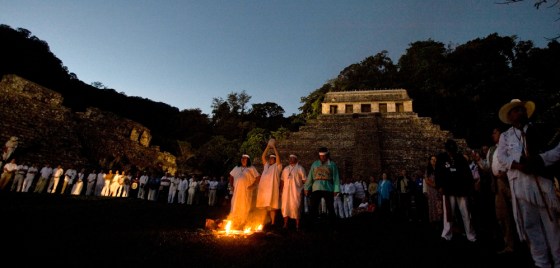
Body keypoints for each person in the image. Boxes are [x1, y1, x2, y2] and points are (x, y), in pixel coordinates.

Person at [496, 99, 560, 267]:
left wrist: (538, 161)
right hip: (520, 187)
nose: (520, 113)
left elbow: (555, 150)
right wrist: (518, 164)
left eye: (521, 110)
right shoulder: (505, 136)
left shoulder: (538, 129)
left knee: (551, 225)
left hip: (541, 184)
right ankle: (541, 263)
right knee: (531, 227)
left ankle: (558, 260)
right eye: (516, 110)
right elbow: (501, 157)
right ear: (510, 116)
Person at [435, 139, 477, 243]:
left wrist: (469, 187)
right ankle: (446, 234)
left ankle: (470, 235)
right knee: (448, 214)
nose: (451, 152)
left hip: (461, 189)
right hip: (448, 189)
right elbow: (438, 172)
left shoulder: (460, 158)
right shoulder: (441, 158)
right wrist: (439, 185)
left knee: (466, 213)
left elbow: (467, 173)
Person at [487, 127, 516, 254]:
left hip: (510, 181)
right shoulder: (492, 150)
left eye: (495, 132)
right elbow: (487, 167)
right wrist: (478, 161)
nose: (492, 134)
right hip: (498, 184)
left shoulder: (509, 145)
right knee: (502, 215)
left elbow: (515, 160)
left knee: (519, 211)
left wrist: (506, 173)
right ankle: (509, 244)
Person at [304, 147, 341, 222]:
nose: (322, 157)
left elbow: (336, 178)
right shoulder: (315, 164)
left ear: (327, 155)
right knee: (313, 207)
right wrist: (306, 187)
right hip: (316, 187)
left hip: (328, 187)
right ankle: (312, 224)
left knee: (330, 207)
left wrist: (336, 189)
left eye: (324, 156)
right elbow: (310, 176)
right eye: (321, 156)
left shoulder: (332, 164)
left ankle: (333, 224)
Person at [228, 154, 260, 229]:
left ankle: (242, 222)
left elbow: (258, 177)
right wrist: (231, 185)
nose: (243, 160)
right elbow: (231, 176)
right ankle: (234, 221)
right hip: (237, 191)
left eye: (245, 159)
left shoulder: (251, 168)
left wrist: (253, 185)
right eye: (242, 158)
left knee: (245, 205)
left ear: (248, 160)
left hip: (246, 192)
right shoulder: (237, 167)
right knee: (235, 204)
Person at [256, 141, 282, 226]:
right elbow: (263, 156)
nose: (270, 159)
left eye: (272, 158)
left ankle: (273, 223)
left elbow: (278, 157)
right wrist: (268, 146)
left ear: (274, 160)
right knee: (263, 207)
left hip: (272, 189)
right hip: (264, 190)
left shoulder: (277, 167)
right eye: (270, 158)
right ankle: (263, 222)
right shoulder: (266, 165)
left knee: (272, 207)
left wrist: (273, 147)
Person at [280, 154, 307, 230]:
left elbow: (305, 180)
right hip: (286, 192)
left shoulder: (300, 168)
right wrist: (280, 190)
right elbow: (282, 181)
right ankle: (285, 224)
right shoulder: (285, 169)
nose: (291, 159)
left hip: (296, 192)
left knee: (296, 207)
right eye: (290, 158)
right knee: (285, 207)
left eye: (293, 158)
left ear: (296, 159)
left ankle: (297, 225)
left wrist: (305, 189)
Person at [423, 155, 443, 230]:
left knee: (439, 205)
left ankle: (440, 221)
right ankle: (434, 221)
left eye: (435, 159)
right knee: (432, 205)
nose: (433, 161)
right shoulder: (428, 170)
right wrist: (435, 185)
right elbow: (427, 180)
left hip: (439, 191)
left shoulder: (439, 169)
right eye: (432, 159)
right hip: (431, 191)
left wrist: (439, 186)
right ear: (430, 161)